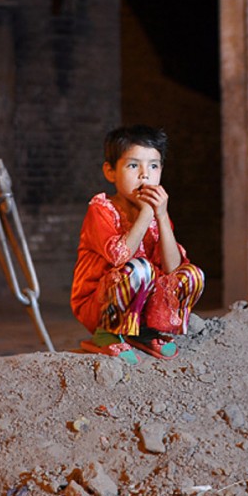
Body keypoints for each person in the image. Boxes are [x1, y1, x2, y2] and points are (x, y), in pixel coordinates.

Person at [71, 125, 204, 363]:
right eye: (133, 166)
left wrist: (161, 216)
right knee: (138, 268)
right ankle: (106, 334)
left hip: (140, 305)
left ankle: (146, 332)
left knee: (192, 274)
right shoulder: (102, 209)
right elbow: (120, 257)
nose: (145, 175)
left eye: (153, 166)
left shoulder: (158, 214)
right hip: (99, 306)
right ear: (110, 171)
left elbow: (173, 268)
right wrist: (146, 213)